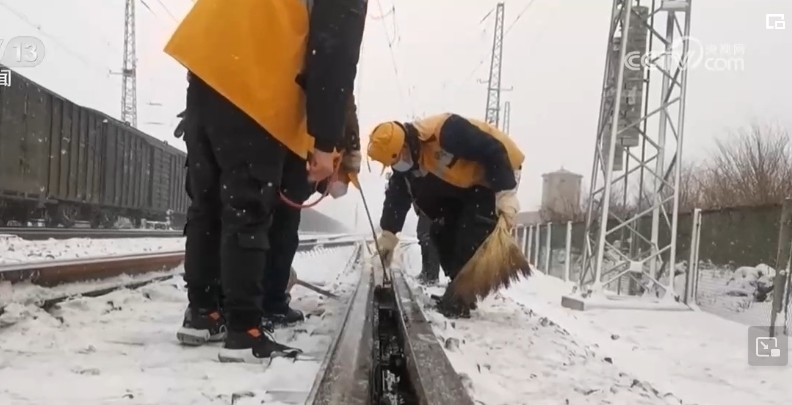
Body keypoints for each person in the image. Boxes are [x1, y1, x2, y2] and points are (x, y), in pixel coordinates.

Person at [163, 0, 367, 363]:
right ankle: (245, 332)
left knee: (207, 203)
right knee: (247, 205)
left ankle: (203, 312)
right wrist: (325, 142)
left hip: (206, 61)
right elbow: (333, 51)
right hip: (256, 74)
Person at [366, 113, 524, 318]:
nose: (397, 165)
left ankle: (460, 298)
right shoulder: (406, 162)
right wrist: (388, 234)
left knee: (470, 230)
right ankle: (458, 288)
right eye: (392, 163)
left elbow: (492, 150)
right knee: (440, 231)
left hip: (498, 170)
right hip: (467, 186)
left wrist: (505, 193)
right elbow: (397, 197)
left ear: (406, 144)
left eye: (398, 158)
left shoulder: (447, 131)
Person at [263, 95, 362, 327]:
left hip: (270, 134)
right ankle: (271, 304)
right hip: (292, 145)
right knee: (284, 231)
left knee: (261, 223)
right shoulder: (316, 158)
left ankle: (233, 298)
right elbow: (343, 99)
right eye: (344, 179)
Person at [416, 213, 440, 285]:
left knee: (430, 241)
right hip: (424, 213)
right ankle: (426, 271)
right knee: (423, 238)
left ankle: (433, 276)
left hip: (431, 213)